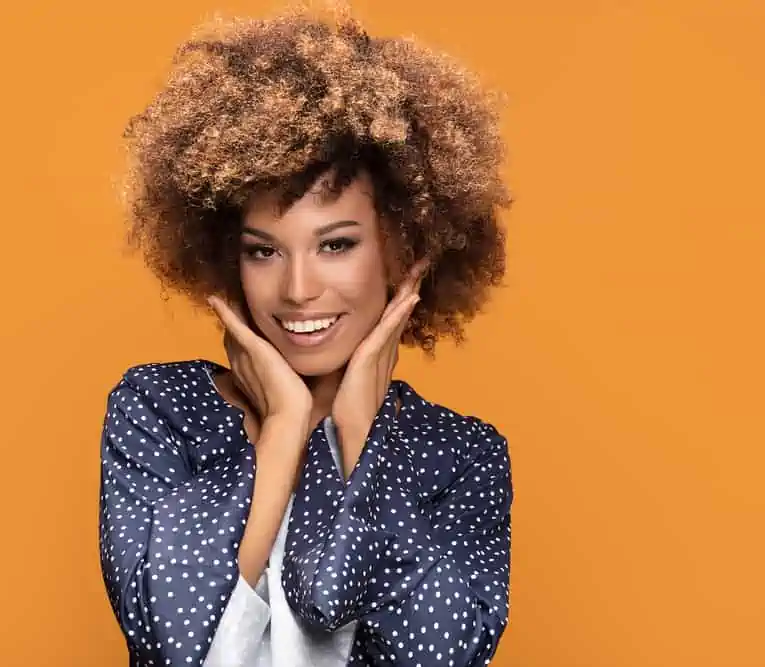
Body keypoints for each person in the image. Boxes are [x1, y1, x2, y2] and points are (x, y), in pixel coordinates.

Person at [98, 3, 514, 665]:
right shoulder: (159, 413)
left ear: (403, 250)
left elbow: (432, 651)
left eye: (336, 245)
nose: (296, 289)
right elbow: (172, 644)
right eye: (264, 251)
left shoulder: (460, 456)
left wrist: (357, 442)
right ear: (223, 255)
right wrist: (285, 430)